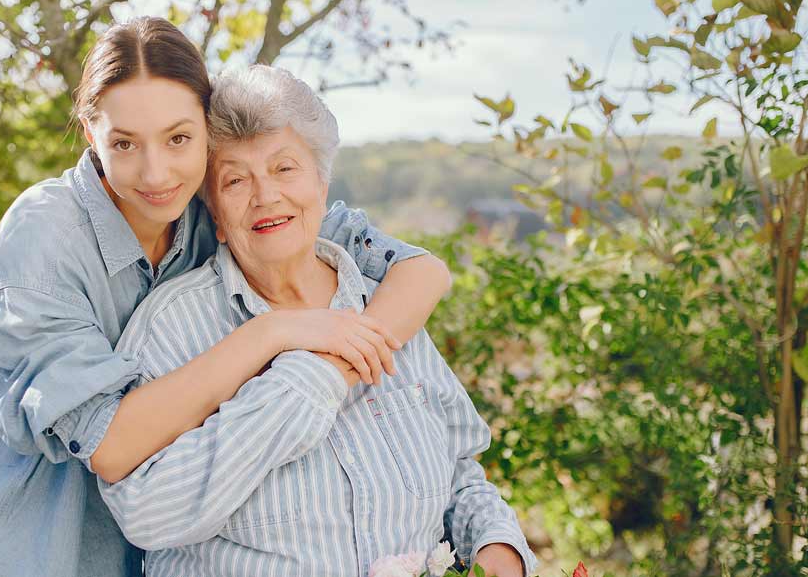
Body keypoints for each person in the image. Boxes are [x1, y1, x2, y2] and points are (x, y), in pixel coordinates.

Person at [0, 18, 453, 576]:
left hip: (132, 553)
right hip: (13, 551)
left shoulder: (216, 206)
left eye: (178, 138)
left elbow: (420, 271)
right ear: (89, 131)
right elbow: (111, 445)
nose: (156, 171)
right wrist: (273, 333)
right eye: (124, 143)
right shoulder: (43, 238)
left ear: (205, 128)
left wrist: (343, 364)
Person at [99, 65, 537, 577]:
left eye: (285, 169)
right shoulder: (172, 329)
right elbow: (146, 514)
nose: (266, 196)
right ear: (214, 213)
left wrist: (499, 551)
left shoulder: (385, 306)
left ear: (322, 186)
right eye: (236, 180)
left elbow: (461, 473)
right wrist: (314, 375)